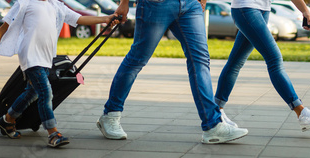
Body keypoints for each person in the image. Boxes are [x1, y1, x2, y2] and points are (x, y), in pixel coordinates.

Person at [97, 0, 248, 144]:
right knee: (137, 59)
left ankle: (213, 126)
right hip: (155, 4)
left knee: (200, 59)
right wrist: (124, 3)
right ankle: (111, 114)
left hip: (190, 5)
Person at [0, 0, 116, 148]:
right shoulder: (25, 4)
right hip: (30, 57)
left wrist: (106, 19)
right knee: (45, 93)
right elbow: (6, 25)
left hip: (46, 58)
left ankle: (7, 120)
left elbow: (79, 18)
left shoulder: (56, 6)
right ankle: (53, 133)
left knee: (32, 93)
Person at [215, 0, 310, 132]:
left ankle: (215, 112)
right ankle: (301, 112)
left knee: (235, 63)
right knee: (274, 60)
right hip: (246, 8)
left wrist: (305, 10)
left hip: (263, 9)